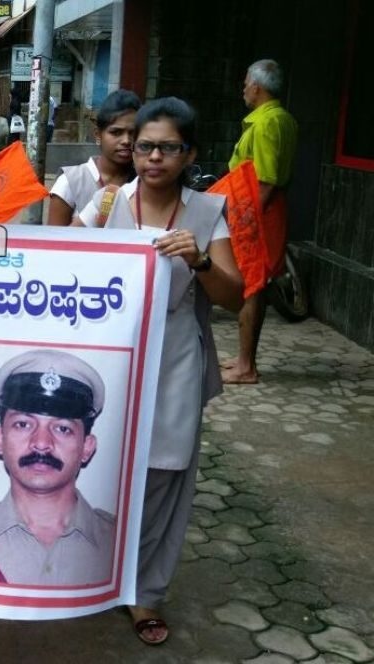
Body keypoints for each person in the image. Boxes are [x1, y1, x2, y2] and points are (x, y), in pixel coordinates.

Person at [74, 97, 243, 645]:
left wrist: (198, 260)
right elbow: (54, 264)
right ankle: (91, 577)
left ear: (188, 152)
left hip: (172, 360)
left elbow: (233, 295)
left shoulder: (207, 211)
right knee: (103, 471)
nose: (151, 157)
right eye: (144, 145)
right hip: (110, 359)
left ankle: (145, 593)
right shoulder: (104, 205)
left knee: (165, 478)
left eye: (167, 148)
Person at [0, 349, 116, 586]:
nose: (41, 443)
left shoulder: (120, 544)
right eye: (23, 424)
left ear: (86, 448)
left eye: (62, 429)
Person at [222, 59, 298, 385]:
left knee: (252, 286)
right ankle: (243, 358)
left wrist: (245, 223)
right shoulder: (282, 119)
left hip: (258, 210)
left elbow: (264, 182)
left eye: (245, 83)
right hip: (263, 208)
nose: (243, 89)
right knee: (256, 286)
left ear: (257, 86)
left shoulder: (267, 124)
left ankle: (246, 367)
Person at [47, 89, 141, 226]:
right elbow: (53, 243)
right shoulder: (71, 181)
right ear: (98, 135)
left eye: (133, 133)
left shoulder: (144, 183)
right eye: (116, 132)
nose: (126, 140)